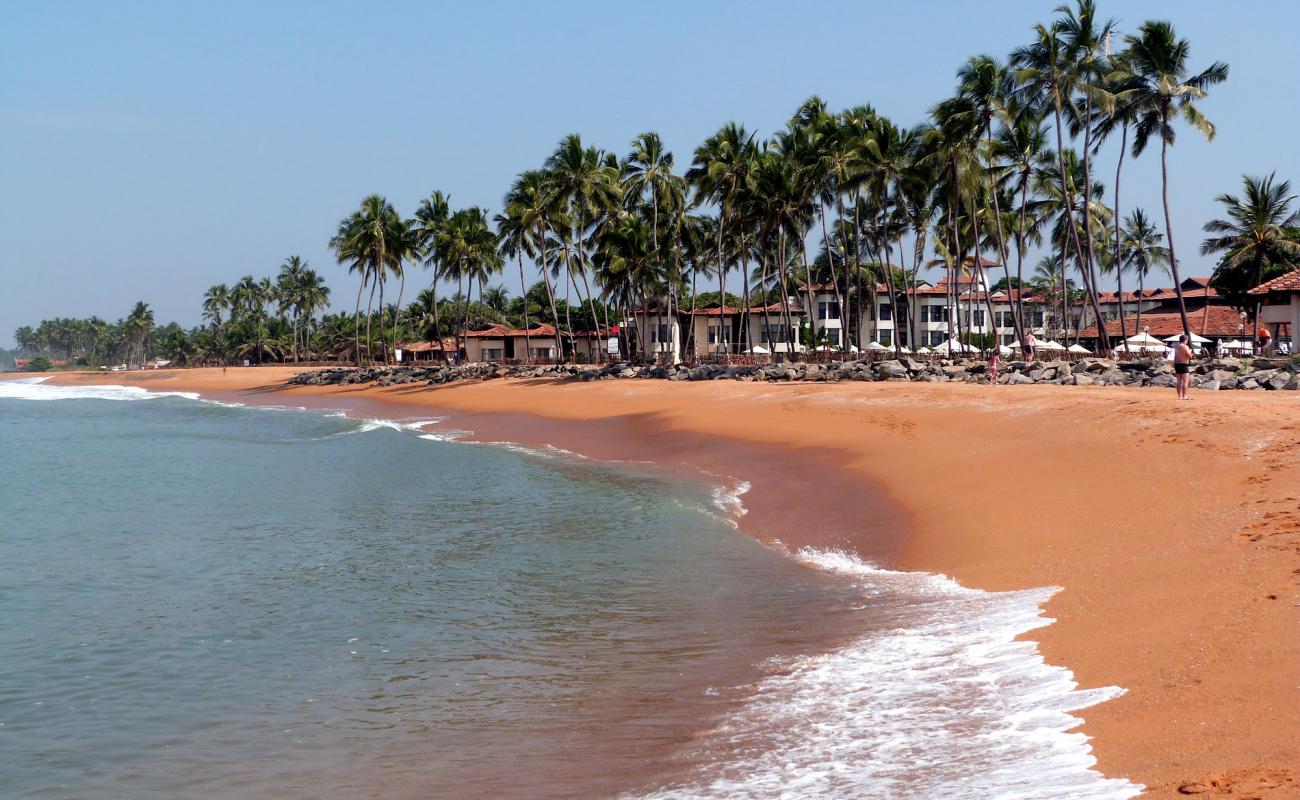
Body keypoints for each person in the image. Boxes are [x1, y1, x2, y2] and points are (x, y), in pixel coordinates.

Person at [1172, 334, 1193, 400]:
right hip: (1183, 364)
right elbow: (1189, 355)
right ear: (1185, 340)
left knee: (1179, 381)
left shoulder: (1176, 346)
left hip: (1177, 364)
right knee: (1185, 381)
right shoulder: (1185, 346)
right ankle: (1184, 396)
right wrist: (1190, 352)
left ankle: (1179, 396)